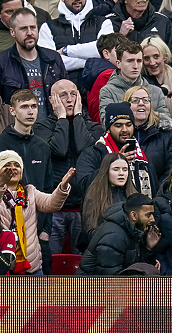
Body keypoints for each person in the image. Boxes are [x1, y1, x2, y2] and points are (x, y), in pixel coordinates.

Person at [33, 78, 103, 254]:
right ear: (52, 100)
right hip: (54, 209)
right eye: (63, 96)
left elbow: (84, 148)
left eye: (73, 94)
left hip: (84, 207)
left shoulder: (94, 127)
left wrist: (78, 116)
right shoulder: (42, 127)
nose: (70, 100)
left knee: (80, 264)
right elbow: (59, 149)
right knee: (53, 262)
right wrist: (62, 119)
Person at [0, 150, 73, 274]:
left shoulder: (30, 191)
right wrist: (0, 185)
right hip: (3, 265)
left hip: (32, 266)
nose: (13, 168)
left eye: (17, 165)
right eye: (7, 165)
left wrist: (62, 187)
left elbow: (50, 203)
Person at [0, 8, 67, 120]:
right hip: (18, 130)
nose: (30, 33)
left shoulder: (53, 57)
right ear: (12, 32)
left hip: (52, 127)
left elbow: (66, 91)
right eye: (23, 29)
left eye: (33, 27)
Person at [76, 101, 158, 198]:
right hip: (105, 210)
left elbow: (155, 187)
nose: (124, 130)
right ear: (108, 129)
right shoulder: (93, 153)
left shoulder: (142, 154)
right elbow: (83, 185)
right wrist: (113, 164)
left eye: (128, 125)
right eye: (118, 125)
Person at [78, 191, 157, 275]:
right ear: (133, 216)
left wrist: (148, 249)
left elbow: (134, 265)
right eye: (148, 215)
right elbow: (110, 278)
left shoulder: (133, 231)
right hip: (88, 286)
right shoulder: (114, 237)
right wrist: (147, 274)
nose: (153, 219)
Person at [99, 40, 170, 126]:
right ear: (119, 64)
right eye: (130, 61)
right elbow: (107, 123)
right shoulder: (107, 91)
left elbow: (166, 123)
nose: (135, 66)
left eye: (139, 61)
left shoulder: (156, 92)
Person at [79, 153, 137, 243]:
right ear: (106, 171)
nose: (121, 173)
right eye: (116, 169)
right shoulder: (94, 197)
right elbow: (90, 232)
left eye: (125, 169)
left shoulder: (134, 196)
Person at [104, 0, 172, 45]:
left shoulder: (162, 22)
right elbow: (105, 53)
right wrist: (121, 36)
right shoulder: (110, 22)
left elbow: (170, 54)